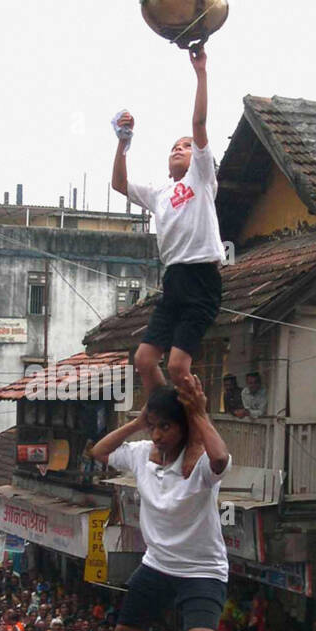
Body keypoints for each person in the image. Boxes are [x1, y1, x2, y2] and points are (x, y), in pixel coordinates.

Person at [89, 380, 230, 631]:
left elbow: (221, 459)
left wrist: (199, 413)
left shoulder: (198, 464)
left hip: (201, 570)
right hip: (156, 564)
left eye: (166, 426)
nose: (158, 434)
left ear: (185, 428)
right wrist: (138, 422)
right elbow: (100, 452)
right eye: (155, 426)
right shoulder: (141, 453)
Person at [111, 49, 224, 470]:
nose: (181, 149)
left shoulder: (201, 177)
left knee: (179, 364)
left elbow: (198, 124)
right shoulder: (161, 192)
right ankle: (164, 415)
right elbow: (119, 183)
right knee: (143, 360)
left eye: (186, 147)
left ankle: (194, 429)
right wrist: (123, 144)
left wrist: (201, 73)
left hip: (202, 278)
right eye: (174, 147)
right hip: (173, 281)